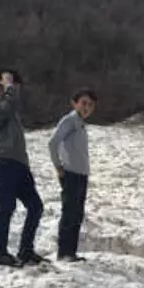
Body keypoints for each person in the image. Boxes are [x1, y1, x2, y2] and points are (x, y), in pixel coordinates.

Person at [0, 69, 45, 267]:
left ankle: (25, 250)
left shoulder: (12, 111)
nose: (15, 88)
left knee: (35, 207)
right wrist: (9, 88)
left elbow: (11, 106)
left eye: (16, 85)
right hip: (4, 160)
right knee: (7, 207)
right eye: (10, 83)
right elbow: (7, 107)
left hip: (20, 163)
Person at [48, 89, 97, 262]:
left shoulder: (81, 123)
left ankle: (71, 252)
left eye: (90, 105)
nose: (87, 107)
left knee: (77, 214)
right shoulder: (69, 120)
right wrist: (58, 167)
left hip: (81, 175)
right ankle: (64, 253)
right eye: (83, 103)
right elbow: (52, 143)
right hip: (70, 174)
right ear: (74, 103)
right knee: (69, 213)